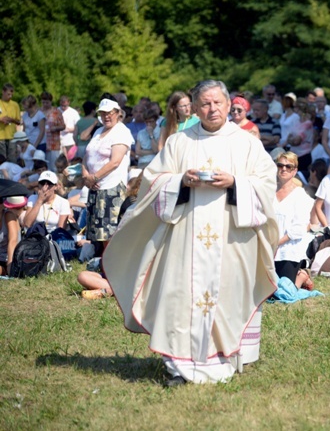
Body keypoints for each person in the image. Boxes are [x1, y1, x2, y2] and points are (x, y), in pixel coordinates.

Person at [103, 79, 278, 386]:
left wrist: (235, 183)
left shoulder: (247, 142)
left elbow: (266, 184)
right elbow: (152, 182)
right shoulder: (179, 142)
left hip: (231, 237)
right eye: (205, 104)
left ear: (228, 105)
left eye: (218, 103)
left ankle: (224, 358)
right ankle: (177, 367)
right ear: (195, 108)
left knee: (226, 297)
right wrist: (180, 181)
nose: (212, 109)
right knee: (178, 296)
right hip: (184, 237)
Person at [82, 98, 133, 247]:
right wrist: (86, 176)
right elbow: (87, 156)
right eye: (103, 113)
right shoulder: (98, 131)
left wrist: (94, 177)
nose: (106, 116)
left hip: (111, 185)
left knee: (108, 230)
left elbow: (115, 161)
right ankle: (101, 261)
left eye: (110, 113)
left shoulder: (121, 131)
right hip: (94, 185)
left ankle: (109, 264)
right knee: (98, 231)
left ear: (117, 113)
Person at [274, 151, 313, 284]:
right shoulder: (268, 191)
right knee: (264, 293)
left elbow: (299, 229)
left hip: (288, 249)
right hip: (267, 248)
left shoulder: (300, 196)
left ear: (294, 171)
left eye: (288, 166)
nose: (284, 169)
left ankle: (302, 277)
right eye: (280, 165)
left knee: (283, 292)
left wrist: (276, 243)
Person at [285, 98, 314, 174]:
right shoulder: (296, 121)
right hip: (294, 155)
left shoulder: (307, 124)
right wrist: (291, 140)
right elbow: (289, 136)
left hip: (303, 156)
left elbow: (296, 141)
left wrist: (291, 140)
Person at [0, 195, 26, 275]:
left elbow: (13, 240)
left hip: (7, 259)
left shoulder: (8, 215)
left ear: (2, 205)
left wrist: (10, 265)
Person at [40, 91, 66, 168]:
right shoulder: (39, 111)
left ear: (51, 101)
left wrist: (55, 128)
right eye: (43, 102)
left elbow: (63, 126)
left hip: (53, 143)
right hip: (41, 142)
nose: (45, 104)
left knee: (53, 166)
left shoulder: (56, 112)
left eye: (47, 102)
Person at [0, 83, 21, 162]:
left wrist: (11, 120)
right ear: (3, 92)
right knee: (2, 160)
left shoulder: (15, 105)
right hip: (1, 137)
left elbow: (18, 121)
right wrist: (1, 120)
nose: (10, 96)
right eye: (8, 94)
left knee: (12, 159)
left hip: (12, 136)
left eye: (11, 95)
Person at [58, 95, 80, 160]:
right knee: (62, 160)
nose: (63, 107)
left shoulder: (73, 112)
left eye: (65, 106)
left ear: (68, 103)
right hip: (59, 140)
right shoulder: (56, 111)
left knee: (71, 159)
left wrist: (70, 129)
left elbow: (78, 126)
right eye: (62, 105)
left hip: (70, 140)